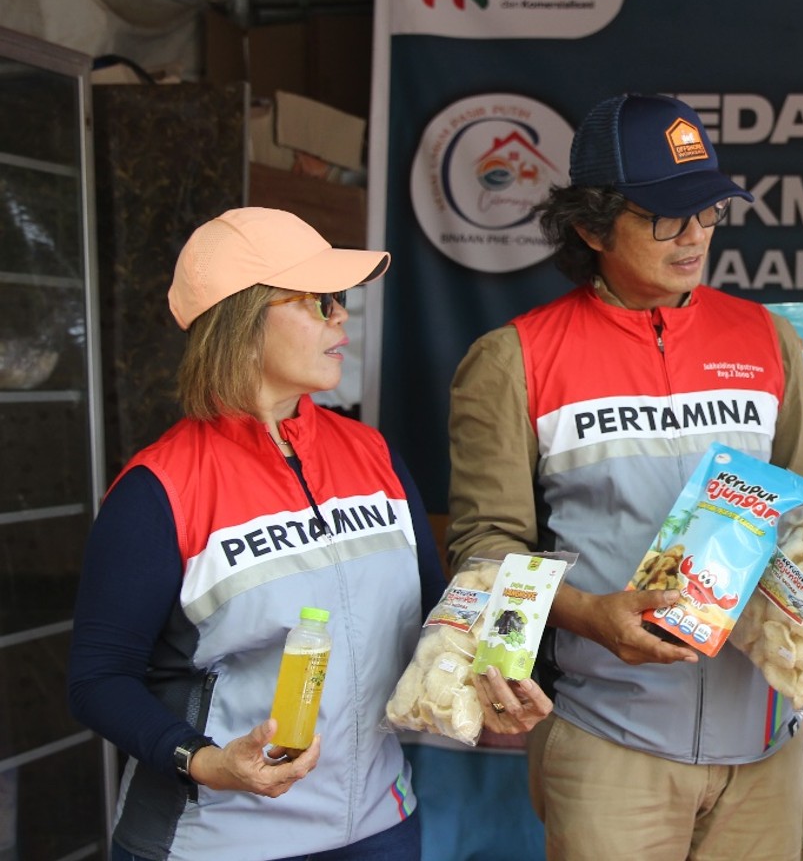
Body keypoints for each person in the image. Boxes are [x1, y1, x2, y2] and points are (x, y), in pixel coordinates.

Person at [67, 207, 548, 861]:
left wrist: (486, 677)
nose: (341, 316)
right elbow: (98, 679)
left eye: (340, 298)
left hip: (378, 826)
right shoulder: (158, 489)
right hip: (219, 842)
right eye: (319, 301)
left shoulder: (372, 454)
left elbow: (435, 616)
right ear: (242, 321)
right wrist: (206, 762)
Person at [444, 93, 803, 861]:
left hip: (764, 745)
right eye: (664, 216)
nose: (694, 235)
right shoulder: (514, 357)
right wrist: (590, 616)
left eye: (708, 209)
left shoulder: (766, 338)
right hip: (608, 741)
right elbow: (483, 551)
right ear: (590, 227)